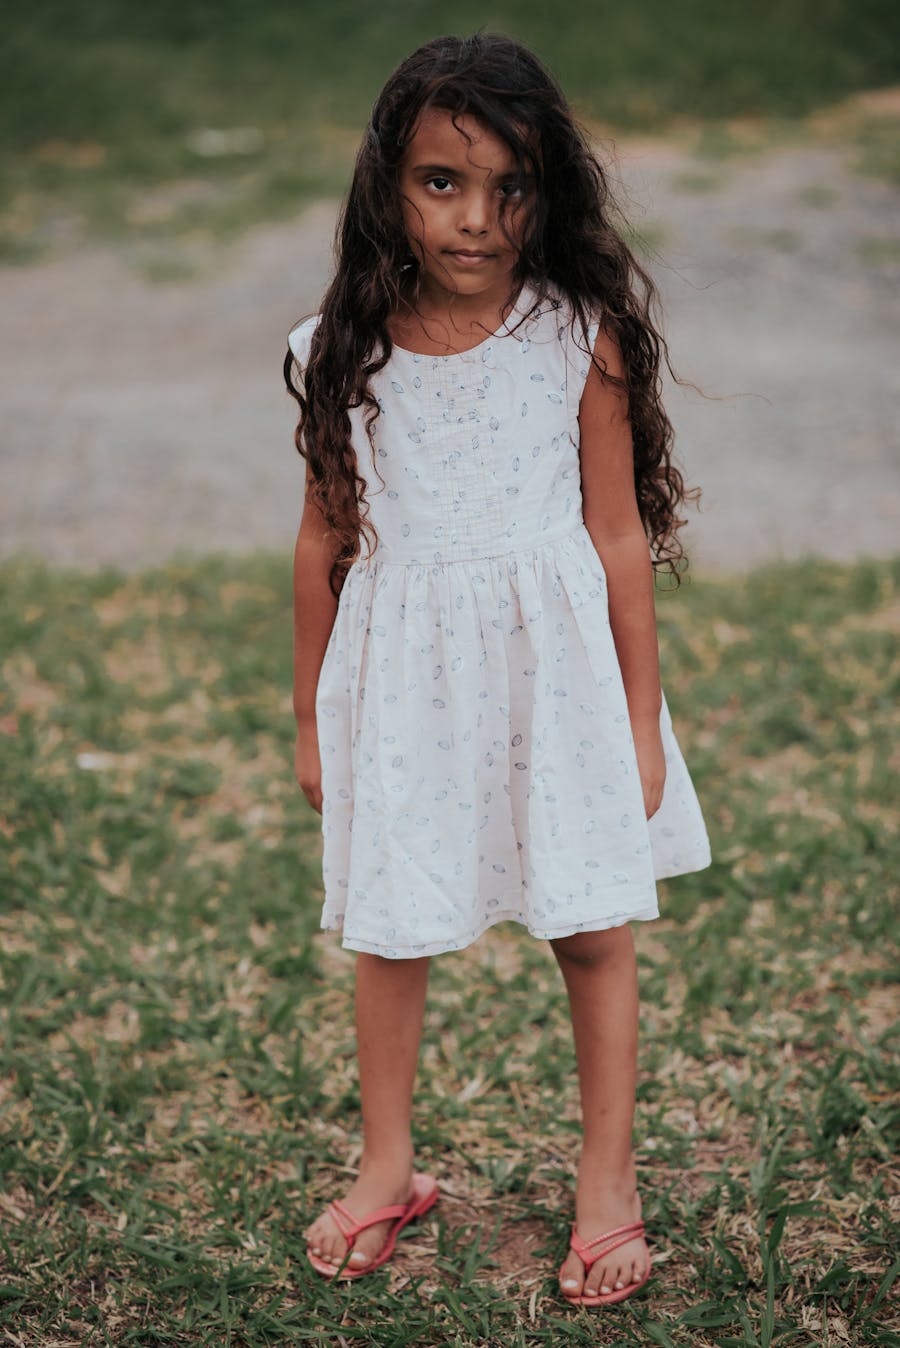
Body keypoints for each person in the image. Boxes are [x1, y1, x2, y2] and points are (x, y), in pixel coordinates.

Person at [284, 32, 711, 1308]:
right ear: (386, 187)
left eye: (510, 186)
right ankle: (388, 1167)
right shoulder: (337, 350)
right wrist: (310, 719)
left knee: (591, 929)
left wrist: (640, 719)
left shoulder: (577, 336)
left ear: (550, 193)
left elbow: (619, 535)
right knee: (392, 930)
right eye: (440, 182)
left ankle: (607, 1183)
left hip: (557, 678)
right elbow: (324, 536)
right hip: (407, 683)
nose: (478, 218)